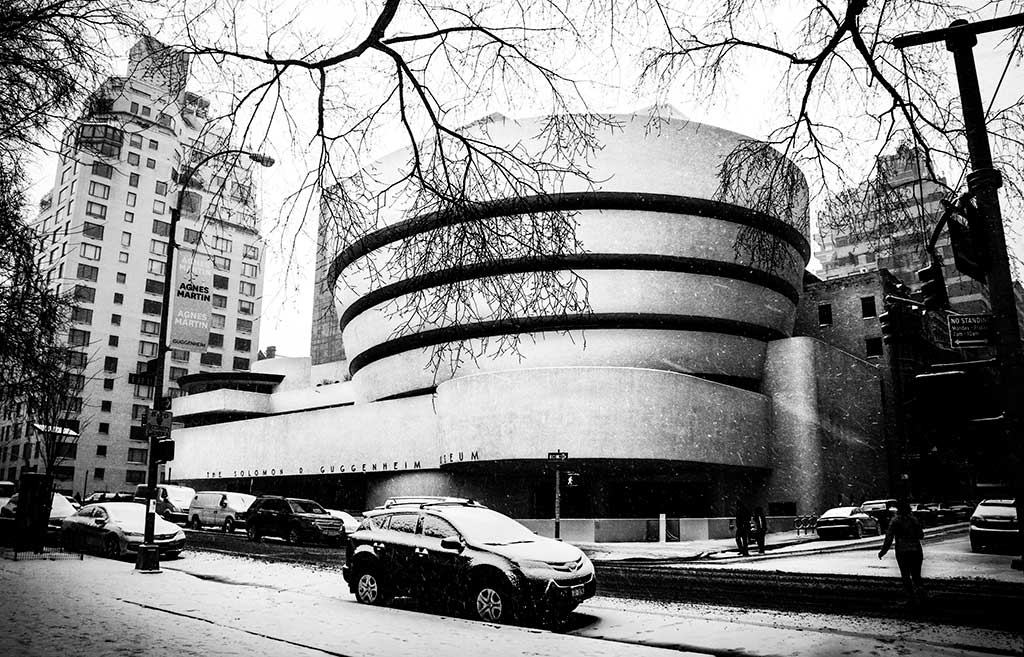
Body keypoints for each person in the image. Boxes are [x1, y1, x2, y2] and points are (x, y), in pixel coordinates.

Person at [878, 500, 925, 605]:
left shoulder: (895, 521)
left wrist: (883, 551)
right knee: (916, 574)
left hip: (902, 551)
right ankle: (921, 593)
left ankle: (911, 596)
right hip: (916, 550)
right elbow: (921, 535)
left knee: (905, 574)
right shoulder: (914, 520)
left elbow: (889, 538)